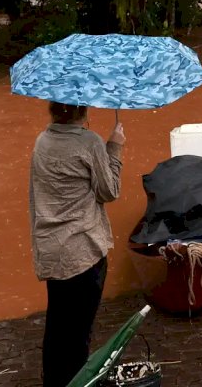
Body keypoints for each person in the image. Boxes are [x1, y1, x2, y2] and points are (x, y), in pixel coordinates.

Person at [29, 101, 125, 386]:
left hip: (52, 250)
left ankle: (54, 381)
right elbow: (110, 191)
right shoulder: (90, 142)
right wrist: (115, 147)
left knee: (57, 326)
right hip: (82, 251)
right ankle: (79, 381)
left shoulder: (42, 140)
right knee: (79, 330)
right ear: (84, 110)